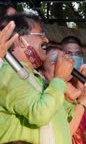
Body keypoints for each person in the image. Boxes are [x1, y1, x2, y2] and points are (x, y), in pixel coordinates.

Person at [0, 13, 74, 144]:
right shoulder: (9, 72)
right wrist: (59, 79)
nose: (46, 40)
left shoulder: (33, 75)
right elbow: (40, 114)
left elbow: (57, 117)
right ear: (21, 40)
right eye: (41, 34)